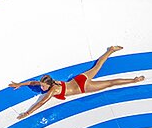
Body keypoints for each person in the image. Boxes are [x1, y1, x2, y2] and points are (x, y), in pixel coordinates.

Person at [10, 45, 143, 121]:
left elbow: (41, 102)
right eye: (42, 85)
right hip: (79, 79)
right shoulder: (50, 82)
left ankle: (134, 80)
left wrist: (26, 114)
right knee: (96, 67)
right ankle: (110, 50)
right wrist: (19, 84)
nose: (41, 87)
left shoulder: (52, 90)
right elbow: (33, 83)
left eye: (43, 86)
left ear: (49, 85)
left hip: (83, 86)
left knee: (109, 83)